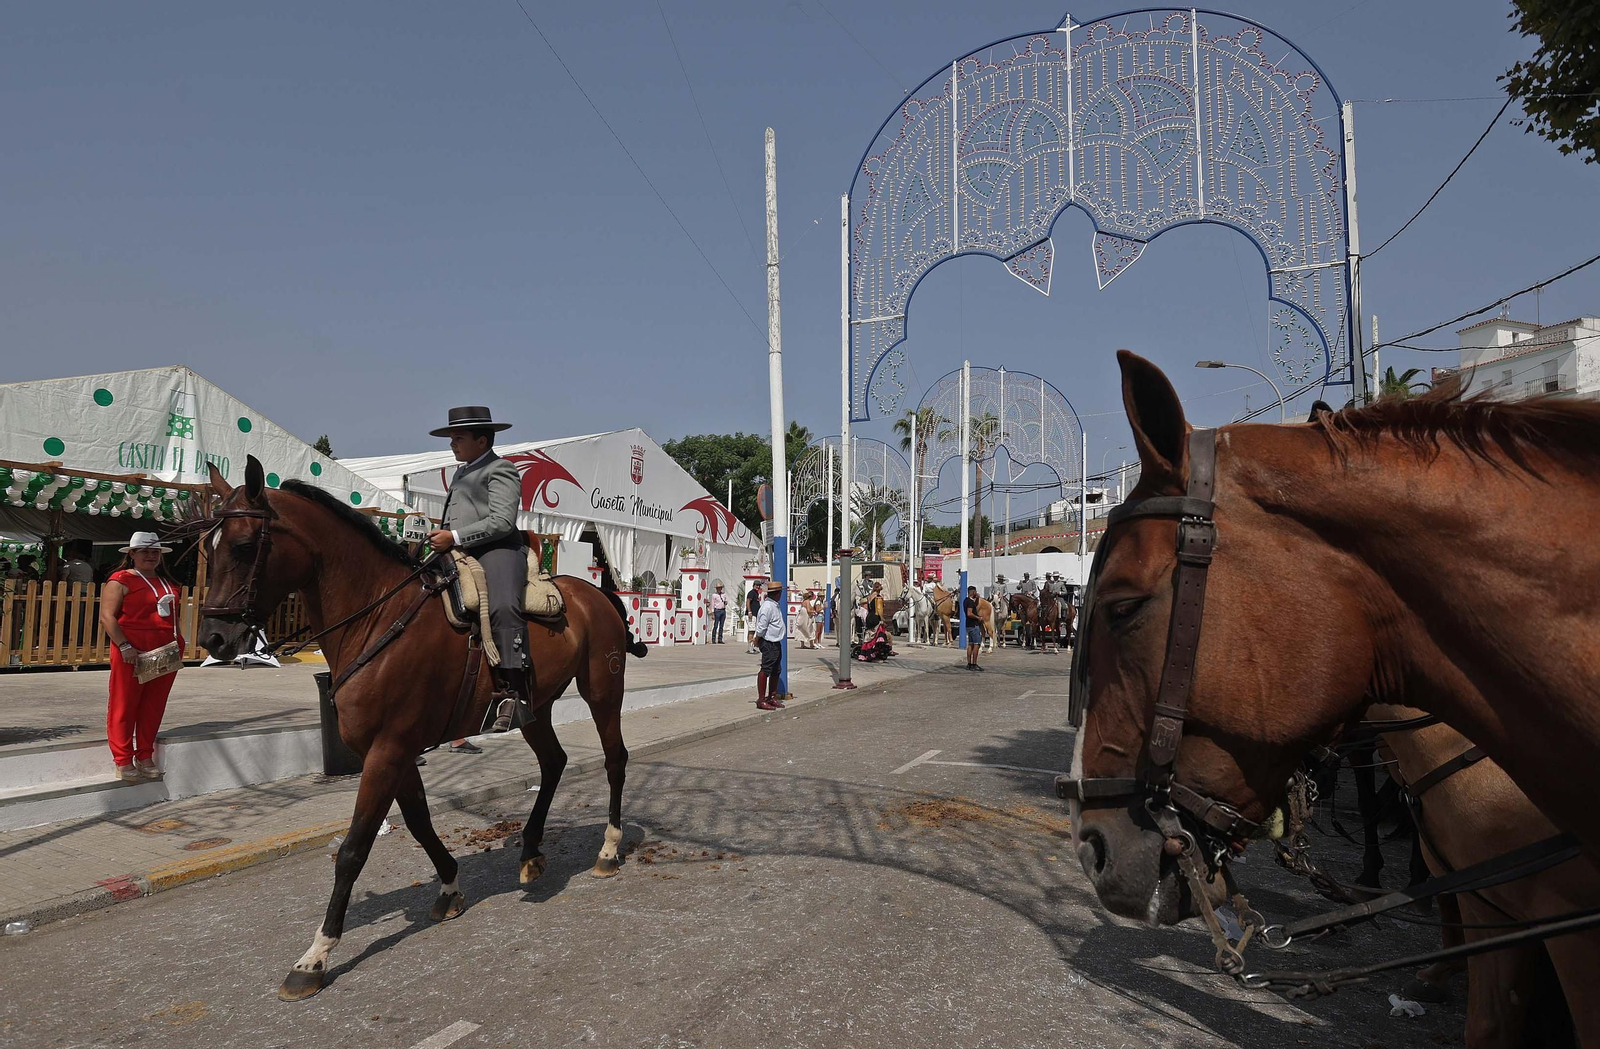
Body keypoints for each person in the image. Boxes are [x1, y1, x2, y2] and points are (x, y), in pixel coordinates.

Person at [427, 406, 528, 734]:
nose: (452, 444)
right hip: (457, 549)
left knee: (502, 603)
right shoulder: (460, 473)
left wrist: (453, 536)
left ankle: (513, 694)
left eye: (458, 438)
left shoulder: (502, 469)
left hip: (498, 549)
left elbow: (501, 521)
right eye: (451, 438)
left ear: (482, 440)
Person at [99, 532, 184, 782]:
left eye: (155, 551)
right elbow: (107, 617)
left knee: (153, 705)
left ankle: (144, 754)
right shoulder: (120, 580)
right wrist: (124, 646)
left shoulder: (167, 582)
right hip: (132, 651)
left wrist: (179, 642)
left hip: (165, 650)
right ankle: (123, 758)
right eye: (144, 551)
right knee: (125, 703)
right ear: (131, 554)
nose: (151, 555)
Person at [753, 580, 786, 710]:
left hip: (775, 642)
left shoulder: (774, 605)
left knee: (776, 670)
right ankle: (761, 699)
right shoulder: (767, 607)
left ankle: (771, 697)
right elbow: (761, 627)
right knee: (766, 669)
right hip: (769, 642)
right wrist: (757, 639)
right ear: (777, 594)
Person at [963, 585, 984, 672]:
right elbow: (969, 613)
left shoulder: (966, 601)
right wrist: (978, 618)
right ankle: (974, 664)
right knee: (976, 644)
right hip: (974, 625)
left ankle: (969, 663)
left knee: (970, 644)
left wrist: (977, 599)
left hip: (968, 625)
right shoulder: (970, 602)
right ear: (973, 592)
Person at [744, 581, 763, 654]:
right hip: (751, 615)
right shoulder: (751, 593)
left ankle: (751, 647)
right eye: (756, 585)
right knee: (751, 631)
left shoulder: (756, 593)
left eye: (759, 585)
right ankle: (750, 648)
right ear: (753, 585)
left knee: (752, 631)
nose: (758, 586)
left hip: (755, 615)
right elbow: (748, 601)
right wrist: (749, 611)